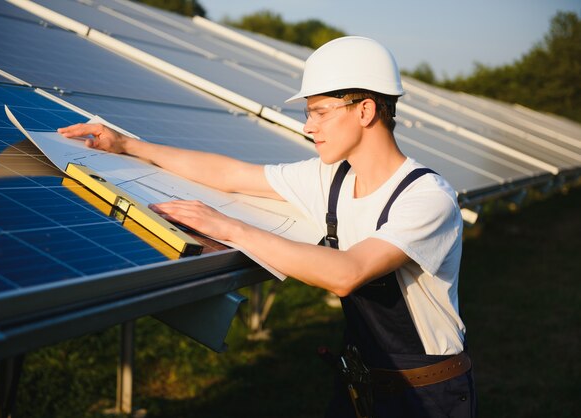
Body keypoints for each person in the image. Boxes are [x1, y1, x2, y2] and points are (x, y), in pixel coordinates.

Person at [59, 36, 476, 417]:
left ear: (365, 110)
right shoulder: (330, 178)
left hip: (426, 398)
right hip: (361, 384)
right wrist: (129, 145)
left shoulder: (426, 198)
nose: (308, 126)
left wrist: (230, 227)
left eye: (320, 112)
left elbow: (347, 273)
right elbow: (232, 174)